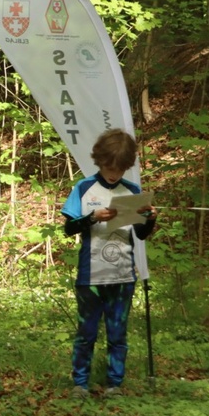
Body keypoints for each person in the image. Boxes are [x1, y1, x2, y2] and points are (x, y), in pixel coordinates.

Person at [61, 129, 158, 400]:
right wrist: (92, 217)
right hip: (90, 276)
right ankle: (80, 384)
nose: (113, 173)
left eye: (120, 168)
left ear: (127, 166)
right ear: (100, 161)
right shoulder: (83, 188)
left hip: (123, 275)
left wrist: (150, 219)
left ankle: (114, 384)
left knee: (118, 335)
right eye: (108, 166)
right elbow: (68, 228)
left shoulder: (133, 191)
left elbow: (140, 235)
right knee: (86, 333)